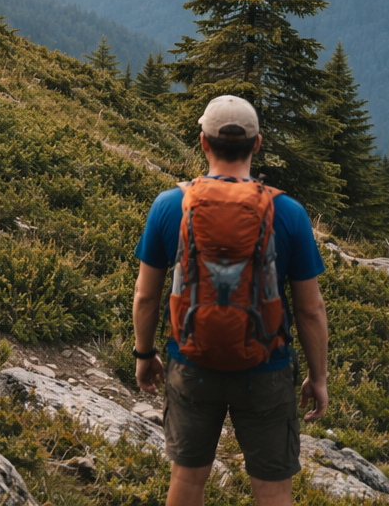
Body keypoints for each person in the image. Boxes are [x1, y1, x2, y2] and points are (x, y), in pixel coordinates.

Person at [132, 95, 329, 506]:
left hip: (191, 363)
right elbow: (311, 309)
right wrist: (318, 376)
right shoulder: (288, 212)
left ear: (202, 141)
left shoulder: (170, 205)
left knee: (187, 481)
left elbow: (146, 295)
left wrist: (144, 352)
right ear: (257, 145)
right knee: (273, 491)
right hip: (267, 367)